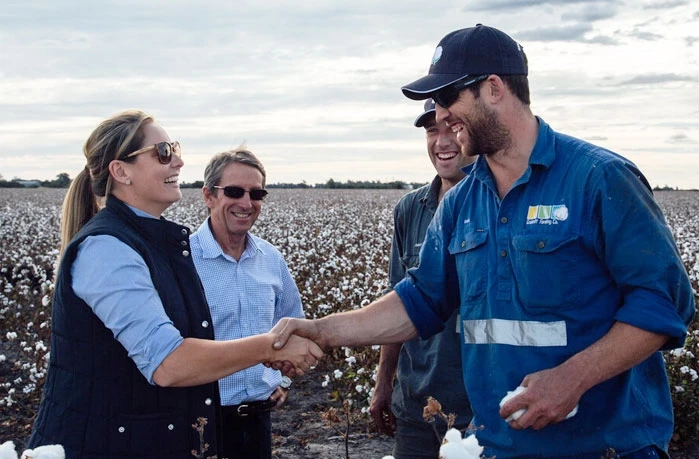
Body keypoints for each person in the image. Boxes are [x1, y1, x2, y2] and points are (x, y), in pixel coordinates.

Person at [270, 25, 695, 458]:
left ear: (493, 88)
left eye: (449, 99)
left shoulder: (598, 178)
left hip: (609, 447)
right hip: (500, 445)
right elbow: (421, 301)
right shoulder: (461, 202)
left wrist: (573, 378)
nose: (441, 116)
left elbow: (664, 303)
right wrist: (324, 330)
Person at [27, 110, 323, 458]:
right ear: (121, 172)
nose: (179, 161)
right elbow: (167, 363)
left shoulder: (154, 244)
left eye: (175, 149)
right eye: (163, 152)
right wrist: (270, 347)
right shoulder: (107, 248)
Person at [369, 99, 473, 458]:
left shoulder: (496, 201)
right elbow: (398, 300)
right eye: (432, 130)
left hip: (477, 408)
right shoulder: (410, 208)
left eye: (453, 128)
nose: (442, 141)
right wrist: (384, 384)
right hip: (415, 405)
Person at [190, 147, 304, 459]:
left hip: (257, 422)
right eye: (234, 191)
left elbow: (294, 325)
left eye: (256, 193)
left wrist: (281, 379)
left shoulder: (270, 258)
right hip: (198, 423)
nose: (246, 202)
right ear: (209, 196)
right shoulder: (184, 259)